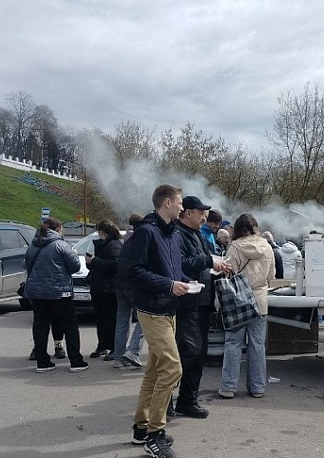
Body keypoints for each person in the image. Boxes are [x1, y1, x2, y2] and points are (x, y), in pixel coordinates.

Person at [119, 184, 190, 458]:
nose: (182, 208)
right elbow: (130, 271)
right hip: (152, 311)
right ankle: (155, 434)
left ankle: (141, 427)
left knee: (154, 372)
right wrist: (168, 284)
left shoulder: (171, 233)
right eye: (180, 203)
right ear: (168, 203)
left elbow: (173, 270)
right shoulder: (146, 232)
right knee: (172, 370)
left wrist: (184, 282)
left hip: (168, 309)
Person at [172, 195, 231, 419]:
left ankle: (188, 400)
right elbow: (181, 264)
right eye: (201, 212)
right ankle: (167, 400)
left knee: (198, 354)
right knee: (185, 352)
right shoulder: (177, 234)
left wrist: (218, 265)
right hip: (185, 303)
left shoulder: (198, 234)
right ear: (188, 213)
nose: (204, 216)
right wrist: (208, 262)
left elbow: (206, 258)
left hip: (203, 301)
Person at [218, 213, 275, 399]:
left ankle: (228, 387)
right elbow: (271, 276)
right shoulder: (267, 246)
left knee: (233, 343)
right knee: (258, 345)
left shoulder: (234, 247)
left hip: (238, 301)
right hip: (260, 301)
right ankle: (257, 387)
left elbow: (226, 273)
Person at [23, 217, 87, 373]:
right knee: (70, 325)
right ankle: (76, 361)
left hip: (37, 293)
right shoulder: (61, 245)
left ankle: (42, 362)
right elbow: (75, 266)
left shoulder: (33, 244)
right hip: (60, 292)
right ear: (58, 229)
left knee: (40, 325)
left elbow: (25, 264)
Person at [85, 219, 122, 360]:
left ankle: (114, 347)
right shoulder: (103, 244)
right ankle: (102, 345)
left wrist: (94, 261)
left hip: (109, 288)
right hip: (99, 287)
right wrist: (90, 263)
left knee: (111, 319)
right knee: (101, 319)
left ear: (102, 232)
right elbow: (99, 264)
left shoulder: (114, 245)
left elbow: (115, 264)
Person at [112, 213, 146, 368]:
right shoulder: (142, 238)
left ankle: (118, 357)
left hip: (120, 284)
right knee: (145, 318)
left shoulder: (126, 239)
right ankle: (133, 351)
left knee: (122, 321)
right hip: (134, 285)